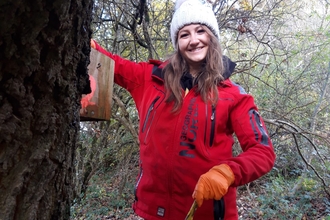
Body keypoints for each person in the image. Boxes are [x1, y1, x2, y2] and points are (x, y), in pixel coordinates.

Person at [90, 0, 276, 219]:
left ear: (212, 37)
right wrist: (88, 45)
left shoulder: (233, 95)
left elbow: (263, 151)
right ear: (177, 42)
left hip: (208, 213)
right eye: (184, 34)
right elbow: (111, 63)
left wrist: (228, 172)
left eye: (200, 31)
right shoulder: (150, 79)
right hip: (154, 212)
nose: (194, 40)